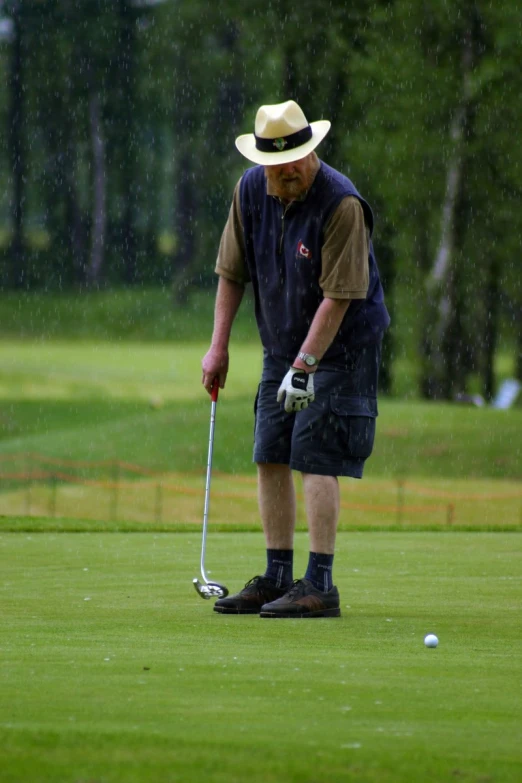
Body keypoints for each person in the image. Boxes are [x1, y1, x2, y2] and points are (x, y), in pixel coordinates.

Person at [201, 99, 390, 618]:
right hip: (280, 342)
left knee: (314, 454)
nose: (290, 174)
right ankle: (277, 575)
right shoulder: (249, 192)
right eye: (278, 168)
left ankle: (319, 584)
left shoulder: (341, 203)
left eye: (299, 162)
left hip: (341, 346)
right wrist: (218, 347)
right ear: (263, 163)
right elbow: (230, 273)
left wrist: (305, 366)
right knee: (270, 451)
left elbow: (341, 295)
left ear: (312, 152)